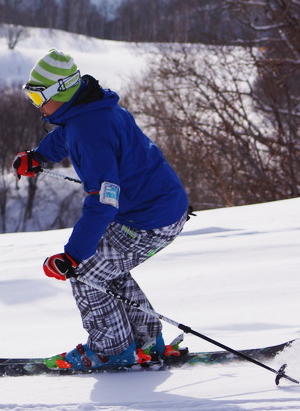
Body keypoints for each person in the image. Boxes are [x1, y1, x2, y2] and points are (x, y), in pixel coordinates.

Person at [13, 48, 189, 371]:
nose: (36, 107)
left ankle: (112, 350)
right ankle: (146, 342)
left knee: (86, 273)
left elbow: (104, 200)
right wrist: (38, 156)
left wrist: (73, 256)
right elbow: (66, 134)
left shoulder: (89, 130)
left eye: (38, 99)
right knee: (106, 269)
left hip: (148, 220)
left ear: (60, 92)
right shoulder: (90, 108)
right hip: (157, 209)